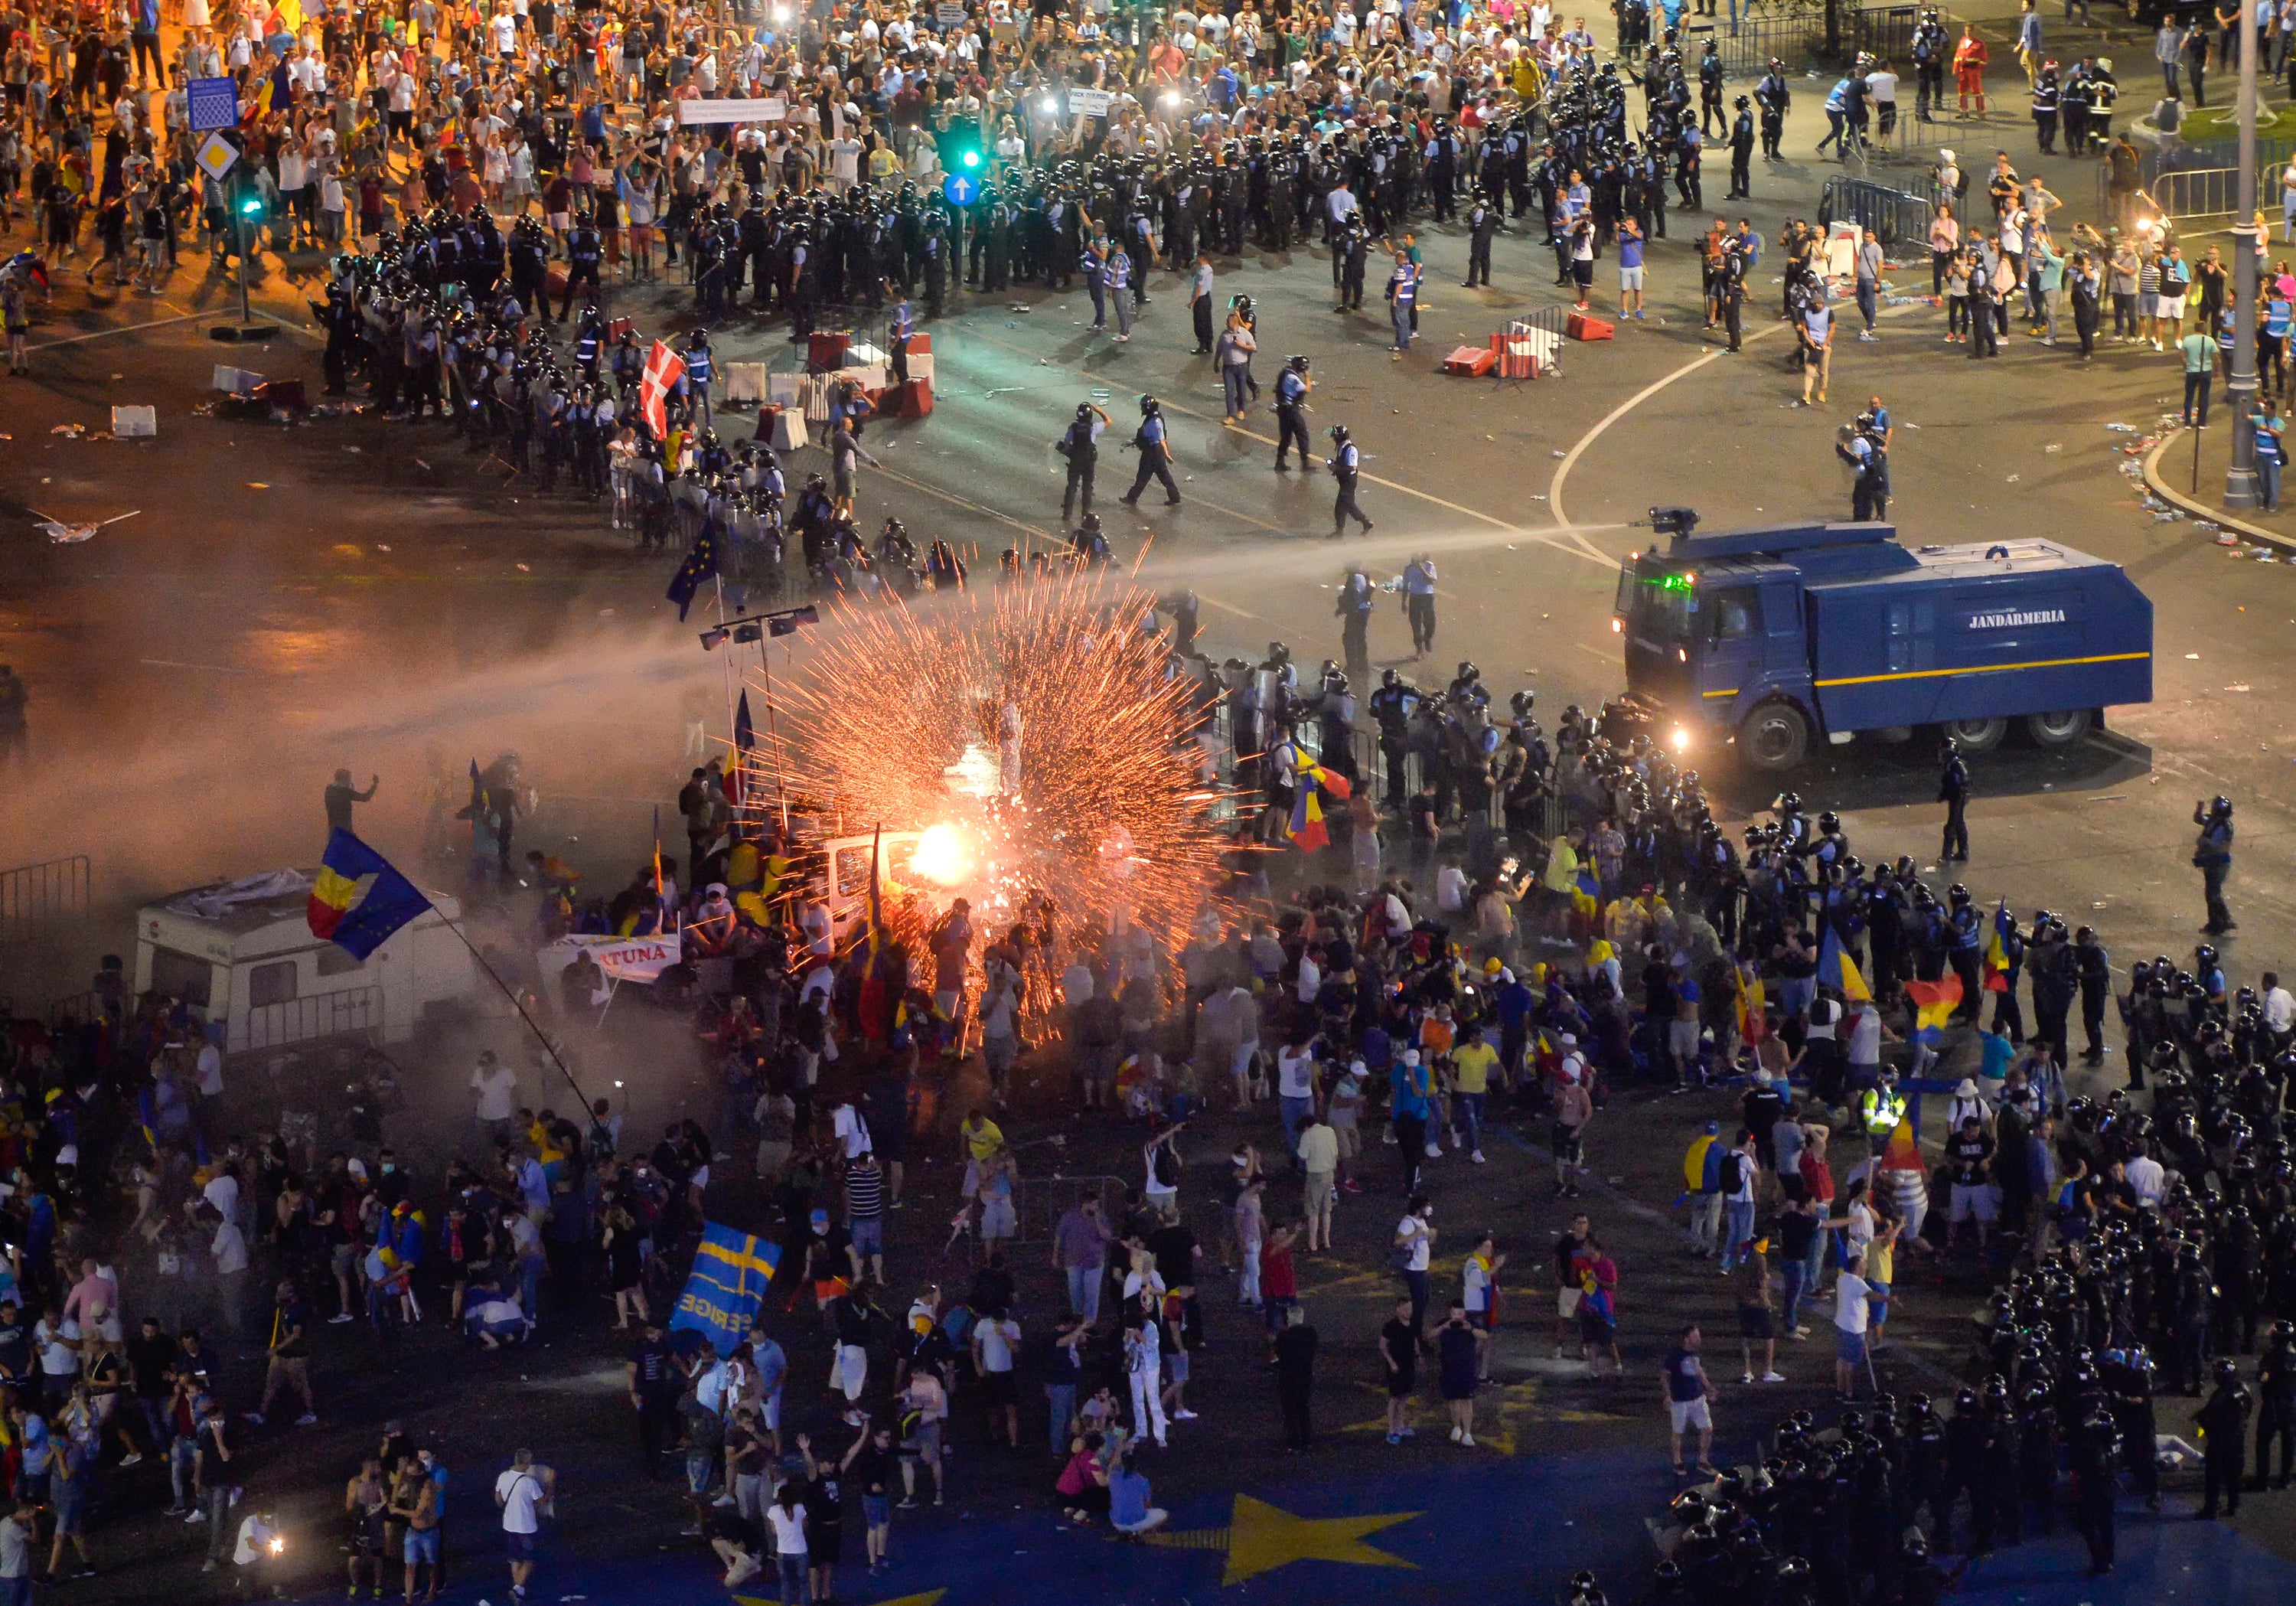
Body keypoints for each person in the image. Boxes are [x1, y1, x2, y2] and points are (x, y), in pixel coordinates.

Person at [494, 1448, 552, 1601]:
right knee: (529, 1559)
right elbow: (542, 1501)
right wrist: (551, 1484)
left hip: (509, 1525)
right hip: (526, 1527)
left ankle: (518, 1589)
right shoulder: (529, 1482)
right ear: (527, 1463)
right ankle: (517, 1588)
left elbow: (498, 1500)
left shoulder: (503, 1476)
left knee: (515, 1559)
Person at [1663, 1324, 1718, 1477]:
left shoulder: (1696, 1353)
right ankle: (1677, 1461)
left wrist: (1708, 1387)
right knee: (1678, 1431)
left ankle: (1703, 1460)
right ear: (1686, 1339)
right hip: (1680, 1400)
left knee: (1707, 1428)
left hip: (1698, 1398)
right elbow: (1665, 1376)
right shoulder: (1675, 1355)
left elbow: (1699, 1370)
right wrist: (1668, 1395)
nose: (1698, 1339)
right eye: (1695, 1337)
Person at [1274, 1304, 1318, 1451]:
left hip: (1287, 1376)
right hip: (1304, 1375)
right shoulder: (1310, 1334)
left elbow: (1278, 1352)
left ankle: (1293, 1442)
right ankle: (1307, 1440)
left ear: (1288, 1319)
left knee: (1290, 1410)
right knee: (1303, 1408)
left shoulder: (1283, 1336)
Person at [325, 768, 380, 834]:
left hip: (333, 829)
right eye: (349, 779)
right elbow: (365, 798)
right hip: (345, 830)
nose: (350, 781)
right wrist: (375, 784)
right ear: (345, 779)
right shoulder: (344, 791)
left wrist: (350, 790)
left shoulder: (329, 789)